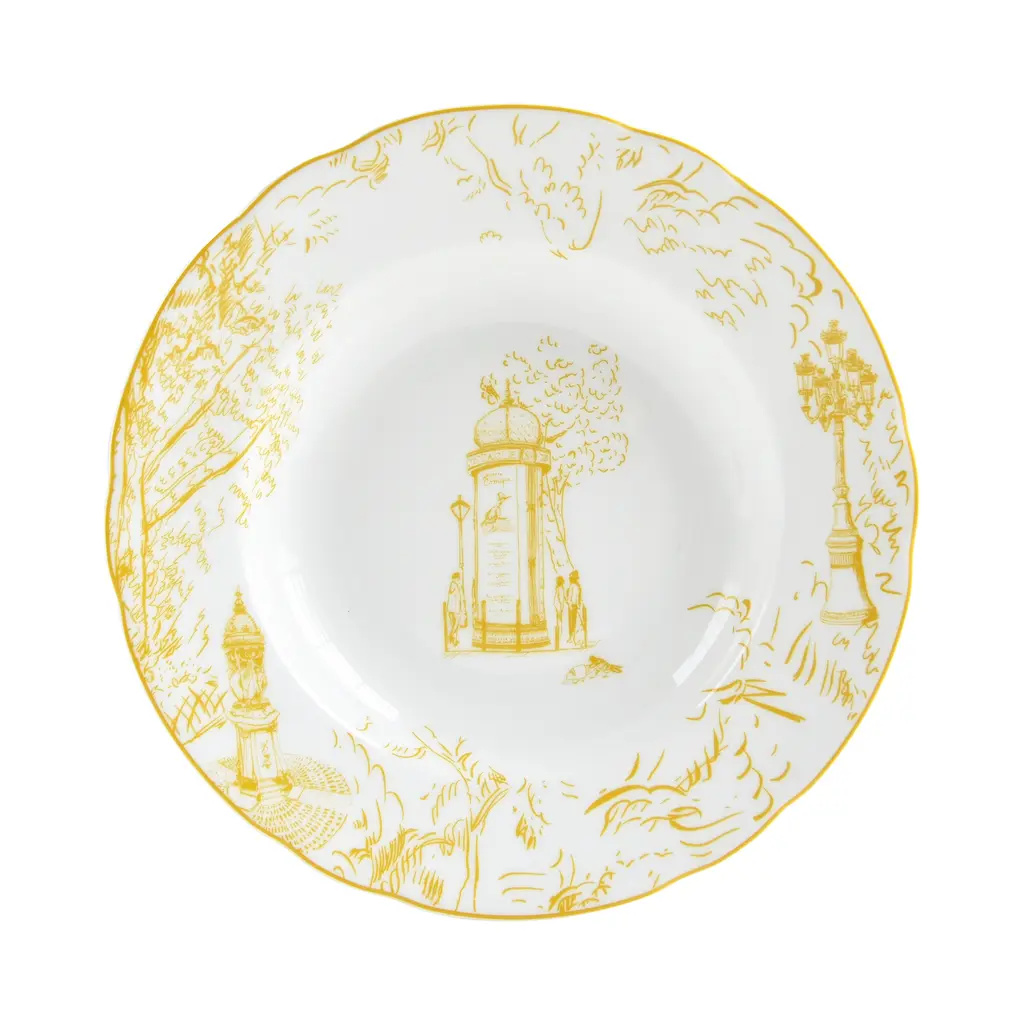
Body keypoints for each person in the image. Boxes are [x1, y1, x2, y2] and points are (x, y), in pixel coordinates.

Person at [566, 570, 584, 647]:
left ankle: (573, 638)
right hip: (574, 606)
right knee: (573, 622)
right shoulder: (576, 586)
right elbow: (572, 598)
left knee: (573, 622)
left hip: (574, 606)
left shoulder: (574, 586)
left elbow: (571, 597)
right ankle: (573, 638)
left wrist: (571, 605)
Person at [445, 571, 463, 648]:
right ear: (456, 578)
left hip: (451, 608)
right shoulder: (454, 585)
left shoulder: (452, 585)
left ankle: (454, 641)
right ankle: (451, 635)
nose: (459, 579)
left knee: (453, 624)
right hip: (455, 608)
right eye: (458, 578)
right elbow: (457, 598)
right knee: (456, 624)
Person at [553, 576, 567, 648]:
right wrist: (561, 608)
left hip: (557, 606)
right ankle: (560, 637)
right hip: (559, 607)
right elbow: (561, 599)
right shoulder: (561, 589)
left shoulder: (558, 588)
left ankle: (559, 637)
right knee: (560, 621)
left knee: (558, 621)